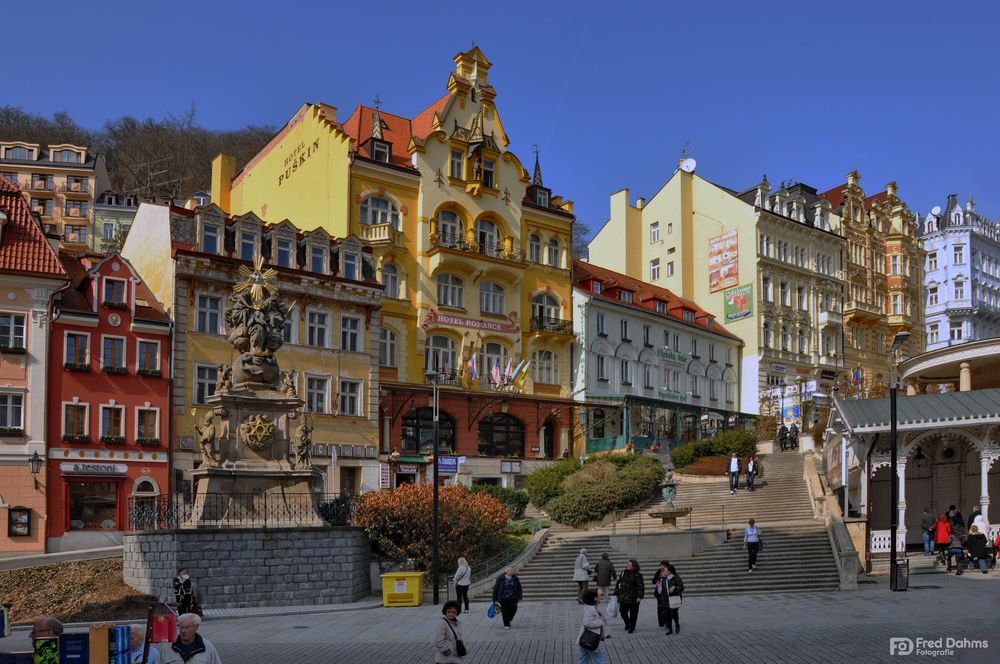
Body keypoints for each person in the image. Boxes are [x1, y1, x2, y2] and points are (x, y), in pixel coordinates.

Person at [158, 613, 222, 664]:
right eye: (181, 627)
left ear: (196, 627)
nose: (183, 631)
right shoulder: (167, 646)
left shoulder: (207, 647)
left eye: (187, 627)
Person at [577, 588, 611, 664]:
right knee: (599, 659)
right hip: (590, 640)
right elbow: (586, 623)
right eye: (599, 596)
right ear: (595, 598)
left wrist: (606, 634)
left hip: (586, 639)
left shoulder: (593, 607)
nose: (600, 598)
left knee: (583, 660)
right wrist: (600, 622)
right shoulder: (591, 609)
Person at [613, 559, 644, 634]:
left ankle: (632, 628)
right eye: (628, 564)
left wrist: (639, 597)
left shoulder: (638, 575)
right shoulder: (623, 572)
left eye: (630, 565)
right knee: (623, 612)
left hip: (634, 597)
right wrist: (616, 593)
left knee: (633, 614)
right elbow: (618, 583)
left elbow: (641, 586)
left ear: (634, 566)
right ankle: (627, 623)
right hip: (623, 596)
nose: (628, 566)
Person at [661, 564, 684, 635]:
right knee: (668, 615)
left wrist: (675, 587)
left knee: (673, 613)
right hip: (666, 600)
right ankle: (670, 629)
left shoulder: (676, 577)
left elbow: (682, 588)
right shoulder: (664, 579)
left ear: (670, 572)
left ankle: (677, 624)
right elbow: (661, 590)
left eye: (665, 570)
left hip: (674, 599)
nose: (663, 571)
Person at [651, 560, 670, 627]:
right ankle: (661, 622)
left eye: (663, 565)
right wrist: (659, 578)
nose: (662, 567)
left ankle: (667, 622)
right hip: (659, 592)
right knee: (660, 608)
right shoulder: (659, 571)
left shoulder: (669, 571)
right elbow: (653, 581)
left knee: (667, 608)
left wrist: (665, 577)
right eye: (661, 565)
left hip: (667, 592)